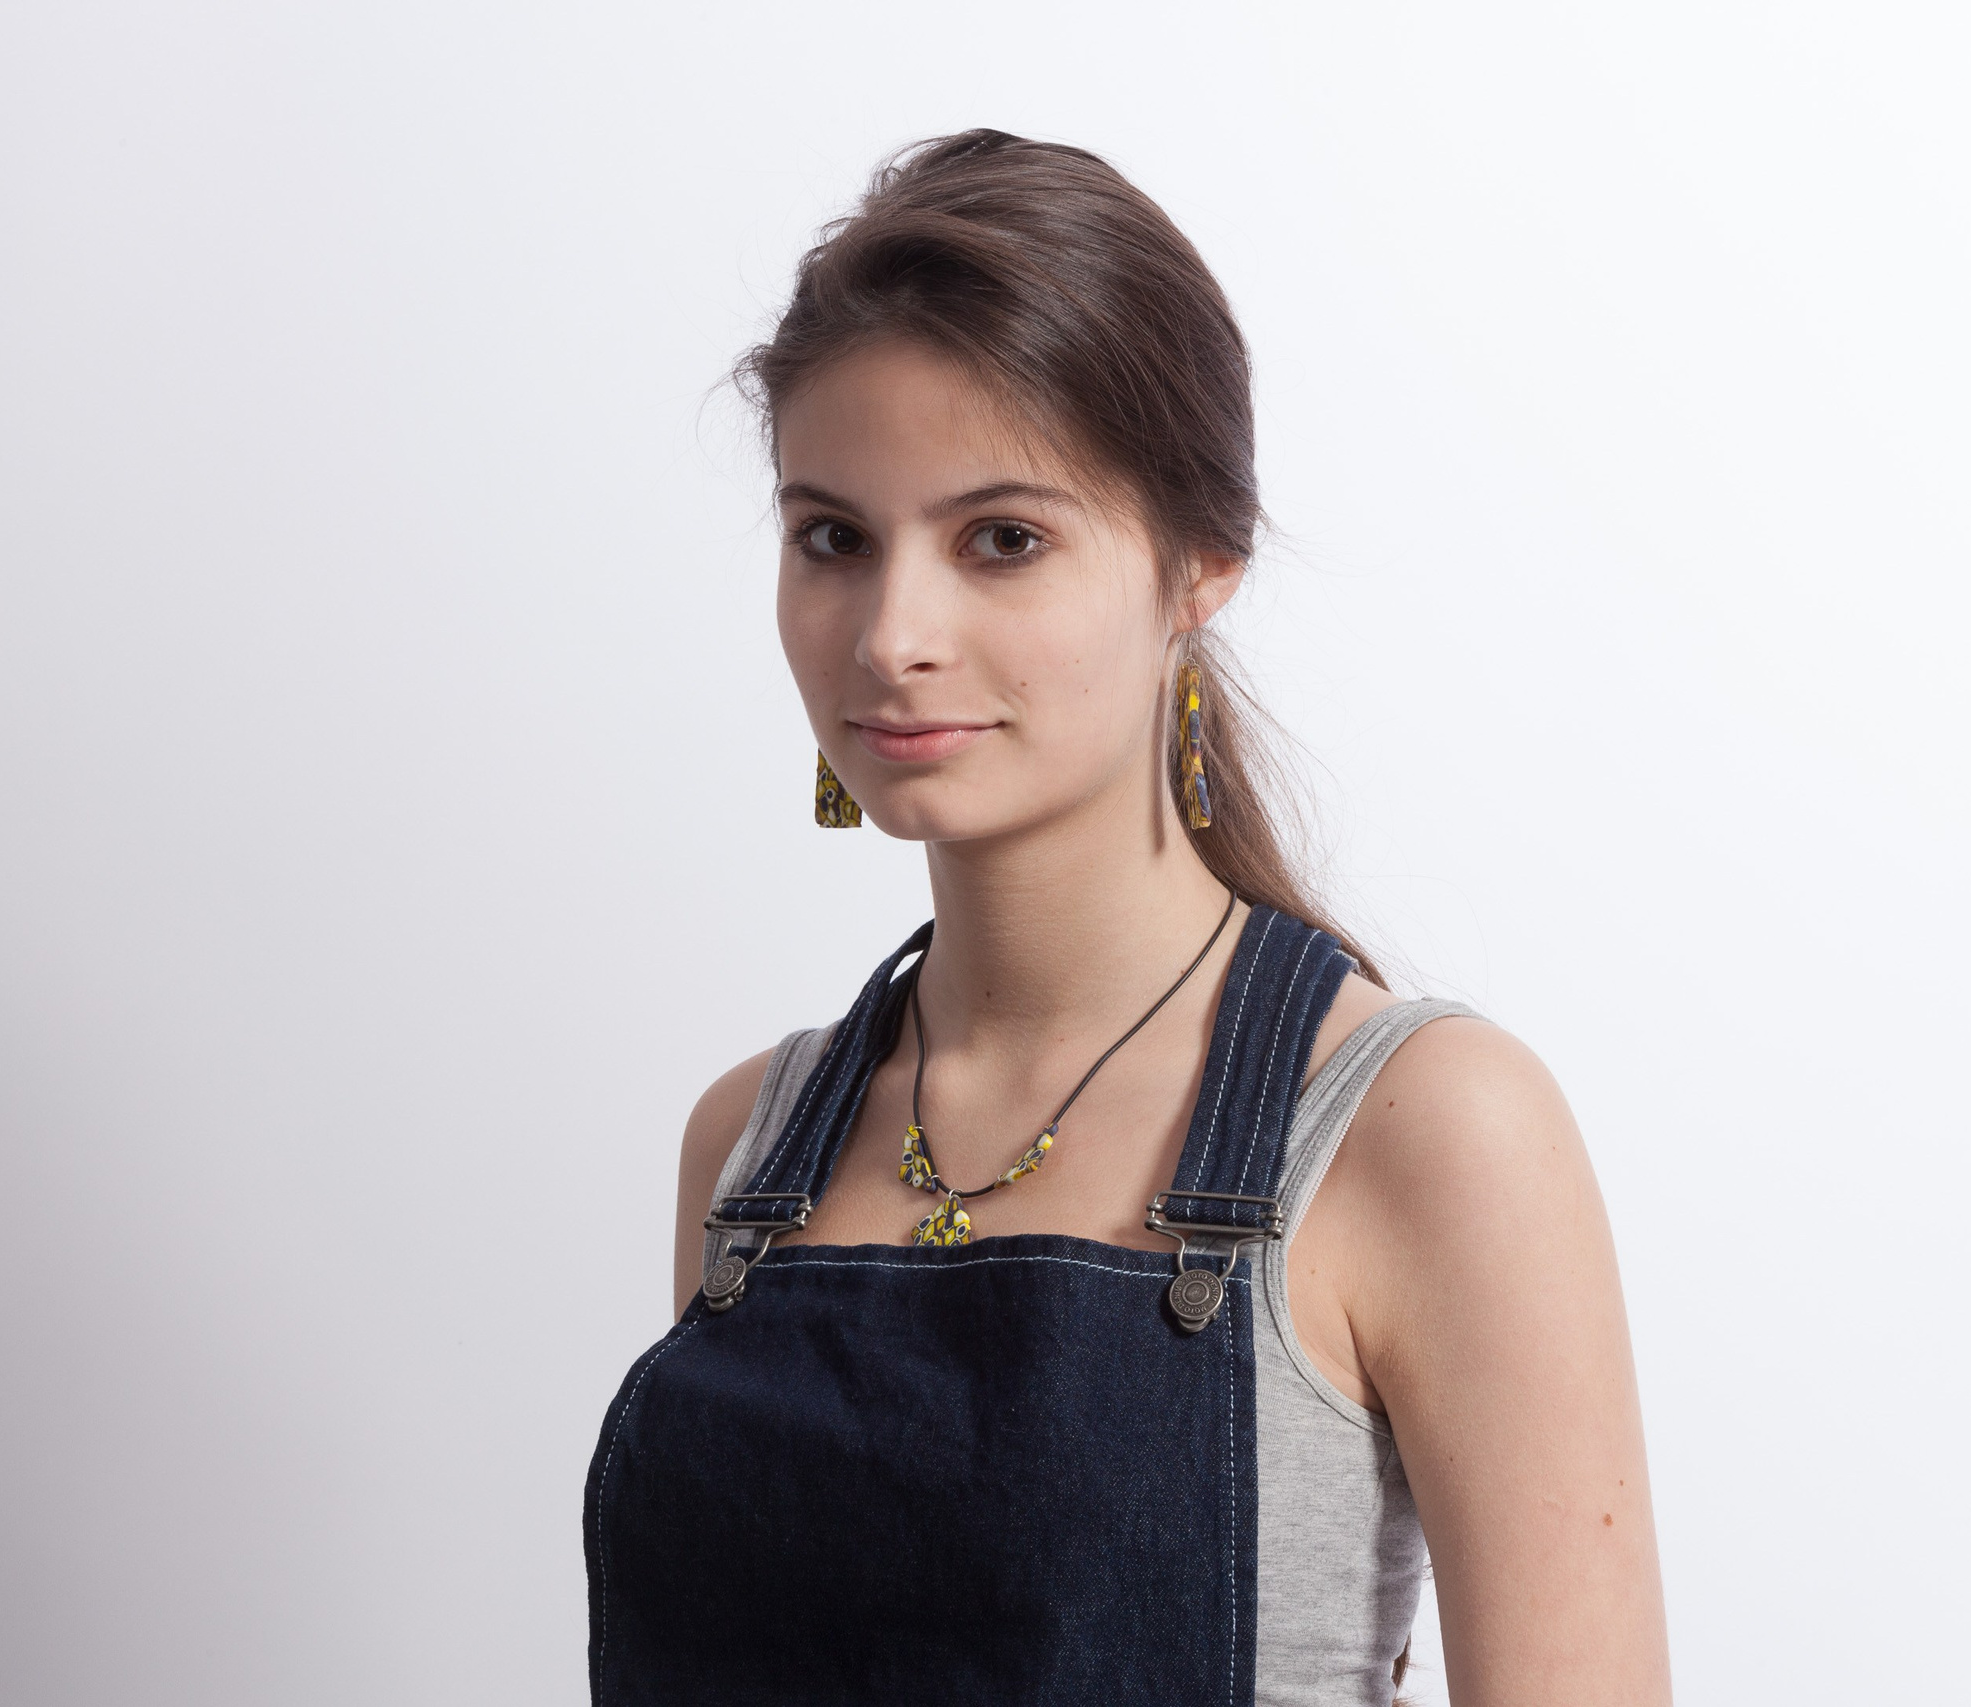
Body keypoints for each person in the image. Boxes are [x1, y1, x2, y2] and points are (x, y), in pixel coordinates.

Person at [585, 130, 1670, 1707]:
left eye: (1001, 540)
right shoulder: (744, 1152)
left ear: (1199, 563)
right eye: (835, 537)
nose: (893, 635)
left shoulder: (1421, 1131)